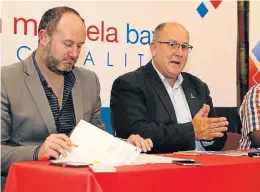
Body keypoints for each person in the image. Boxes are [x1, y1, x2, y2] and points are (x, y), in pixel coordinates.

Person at [1, 6, 153, 176]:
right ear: (43, 38)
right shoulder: (6, 80)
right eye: (68, 44)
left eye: (79, 46)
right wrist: (37, 152)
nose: (74, 54)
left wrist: (125, 146)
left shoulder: (89, 81)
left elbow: (97, 140)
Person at [110, 22, 228, 153]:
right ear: (154, 48)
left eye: (184, 47)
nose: (180, 53)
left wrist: (208, 135)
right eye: (172, 45)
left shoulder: (198, 86)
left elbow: (219, 138)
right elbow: (136, 132)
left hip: (202, 168)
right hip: (158, 169)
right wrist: (193, 131)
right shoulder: (130, 83)